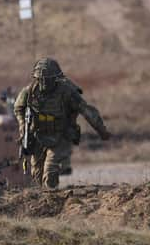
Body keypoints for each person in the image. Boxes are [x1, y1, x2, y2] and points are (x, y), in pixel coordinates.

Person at [14, 58, 111, 188]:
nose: (44, 82)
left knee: (50, 174)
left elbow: (87, 111)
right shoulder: (29, 92)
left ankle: (53, 195)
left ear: (55, 78)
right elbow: (18, 108)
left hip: (60, 137)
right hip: (38, 138)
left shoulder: (66, 92)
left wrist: (102, 131)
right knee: (36, 180)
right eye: (40, 79)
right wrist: (22, 125)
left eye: (48, 79)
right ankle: (45, 205)